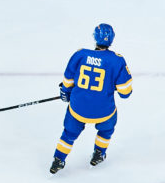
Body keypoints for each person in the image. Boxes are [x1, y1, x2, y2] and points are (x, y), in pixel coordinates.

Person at [50, 23, 133, 174]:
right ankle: (99, 154)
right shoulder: (117, 60)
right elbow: (125, 92)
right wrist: (113, 85)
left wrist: (66, 93)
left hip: (78, 108)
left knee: (69, 133)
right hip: (103, 111)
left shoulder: (80, 55)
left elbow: (67, 81)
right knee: (107, 129)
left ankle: (58, 159)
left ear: (94, 37)